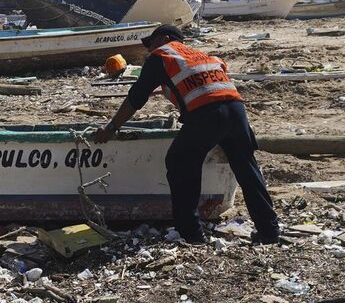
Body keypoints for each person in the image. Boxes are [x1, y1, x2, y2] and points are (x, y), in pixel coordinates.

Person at [94, 24, 280, 245]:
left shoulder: (162, 56)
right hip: (236, 109)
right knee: (247, 168)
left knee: (179, 162)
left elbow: (136, 97)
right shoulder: (202, 56)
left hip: (207, 113)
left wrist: (112, 128)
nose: (149, 49)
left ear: (164, 38)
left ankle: (191, 233)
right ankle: (269, 230)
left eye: (150, 43)